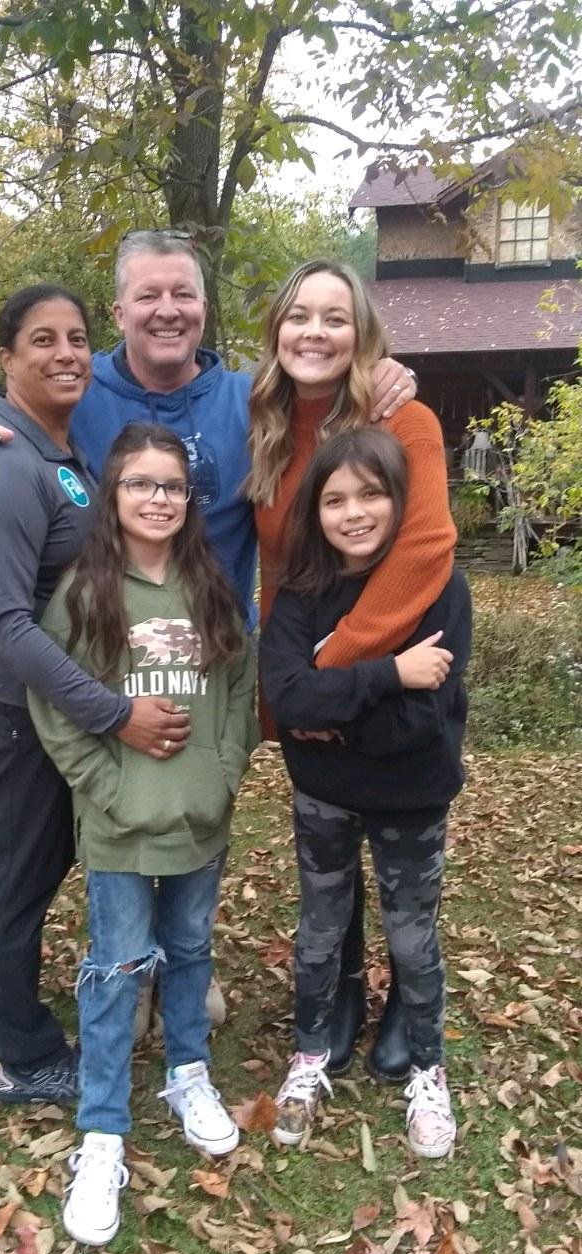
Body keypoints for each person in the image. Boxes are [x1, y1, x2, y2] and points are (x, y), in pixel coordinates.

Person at [0, 232, 417, 1046]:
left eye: (182, 293)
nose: (167, 310)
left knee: (191, 809)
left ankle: (180, 960)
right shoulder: (85, 390)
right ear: (119, 310)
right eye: (147, 295)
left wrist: (389, 372)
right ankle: (116, 965)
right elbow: (7, 420)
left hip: (212, 657)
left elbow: (335, 403)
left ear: (204, 306)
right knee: (107, 814)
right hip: (107, 657)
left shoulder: (248, 396)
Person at [0, 285, 190, 1106]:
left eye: (78, 338)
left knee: (36, 857)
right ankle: (22, 1051)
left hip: (41, 702)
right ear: (7, 360)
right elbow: (7, 622)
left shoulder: (60, 454)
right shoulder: (5, 466)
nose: (65, 354)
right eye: (42, 340)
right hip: (11, 701)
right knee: (17, 868)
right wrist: (112, 712)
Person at [28, 423, 258, 1246]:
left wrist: (225, 769)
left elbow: (238, 685)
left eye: (172, 486)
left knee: (192, 949)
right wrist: (101, 783)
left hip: (201, 815)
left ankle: (188, 1072)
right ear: (114, 495)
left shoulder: (210, 585)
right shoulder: (87, 592)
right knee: (117, 965)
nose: (157, 498)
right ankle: (101, 1131)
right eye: (140, 484)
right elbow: (54, 701)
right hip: (123, 820)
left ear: (189, 501)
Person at [246, 259, 458, 1081]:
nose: (315, 332)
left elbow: (427, 547)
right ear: (276, 330)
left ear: (363, 335)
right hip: (301, 673)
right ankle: (337, 993)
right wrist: (286, 690)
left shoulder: (403, 417)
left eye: (336, 318)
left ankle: (409, 1000)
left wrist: (334, 665)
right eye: (299, 315)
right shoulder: (260, 416)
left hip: (380, 667)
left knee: (404, 863)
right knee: (328, 864)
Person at [259, 427, 471, 1157]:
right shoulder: (301, 591)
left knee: (412, 936)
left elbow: (424, 717)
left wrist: (334, 713)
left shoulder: (437, 585)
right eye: (336, 497)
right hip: (322, 794)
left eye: (372, 494)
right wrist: (383, 676)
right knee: (321, 927)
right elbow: (286, 697)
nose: (354, 512)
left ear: (399, 499)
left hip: (412, 795)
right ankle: (310, 1055)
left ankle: (427, 1068)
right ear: (314, 509)